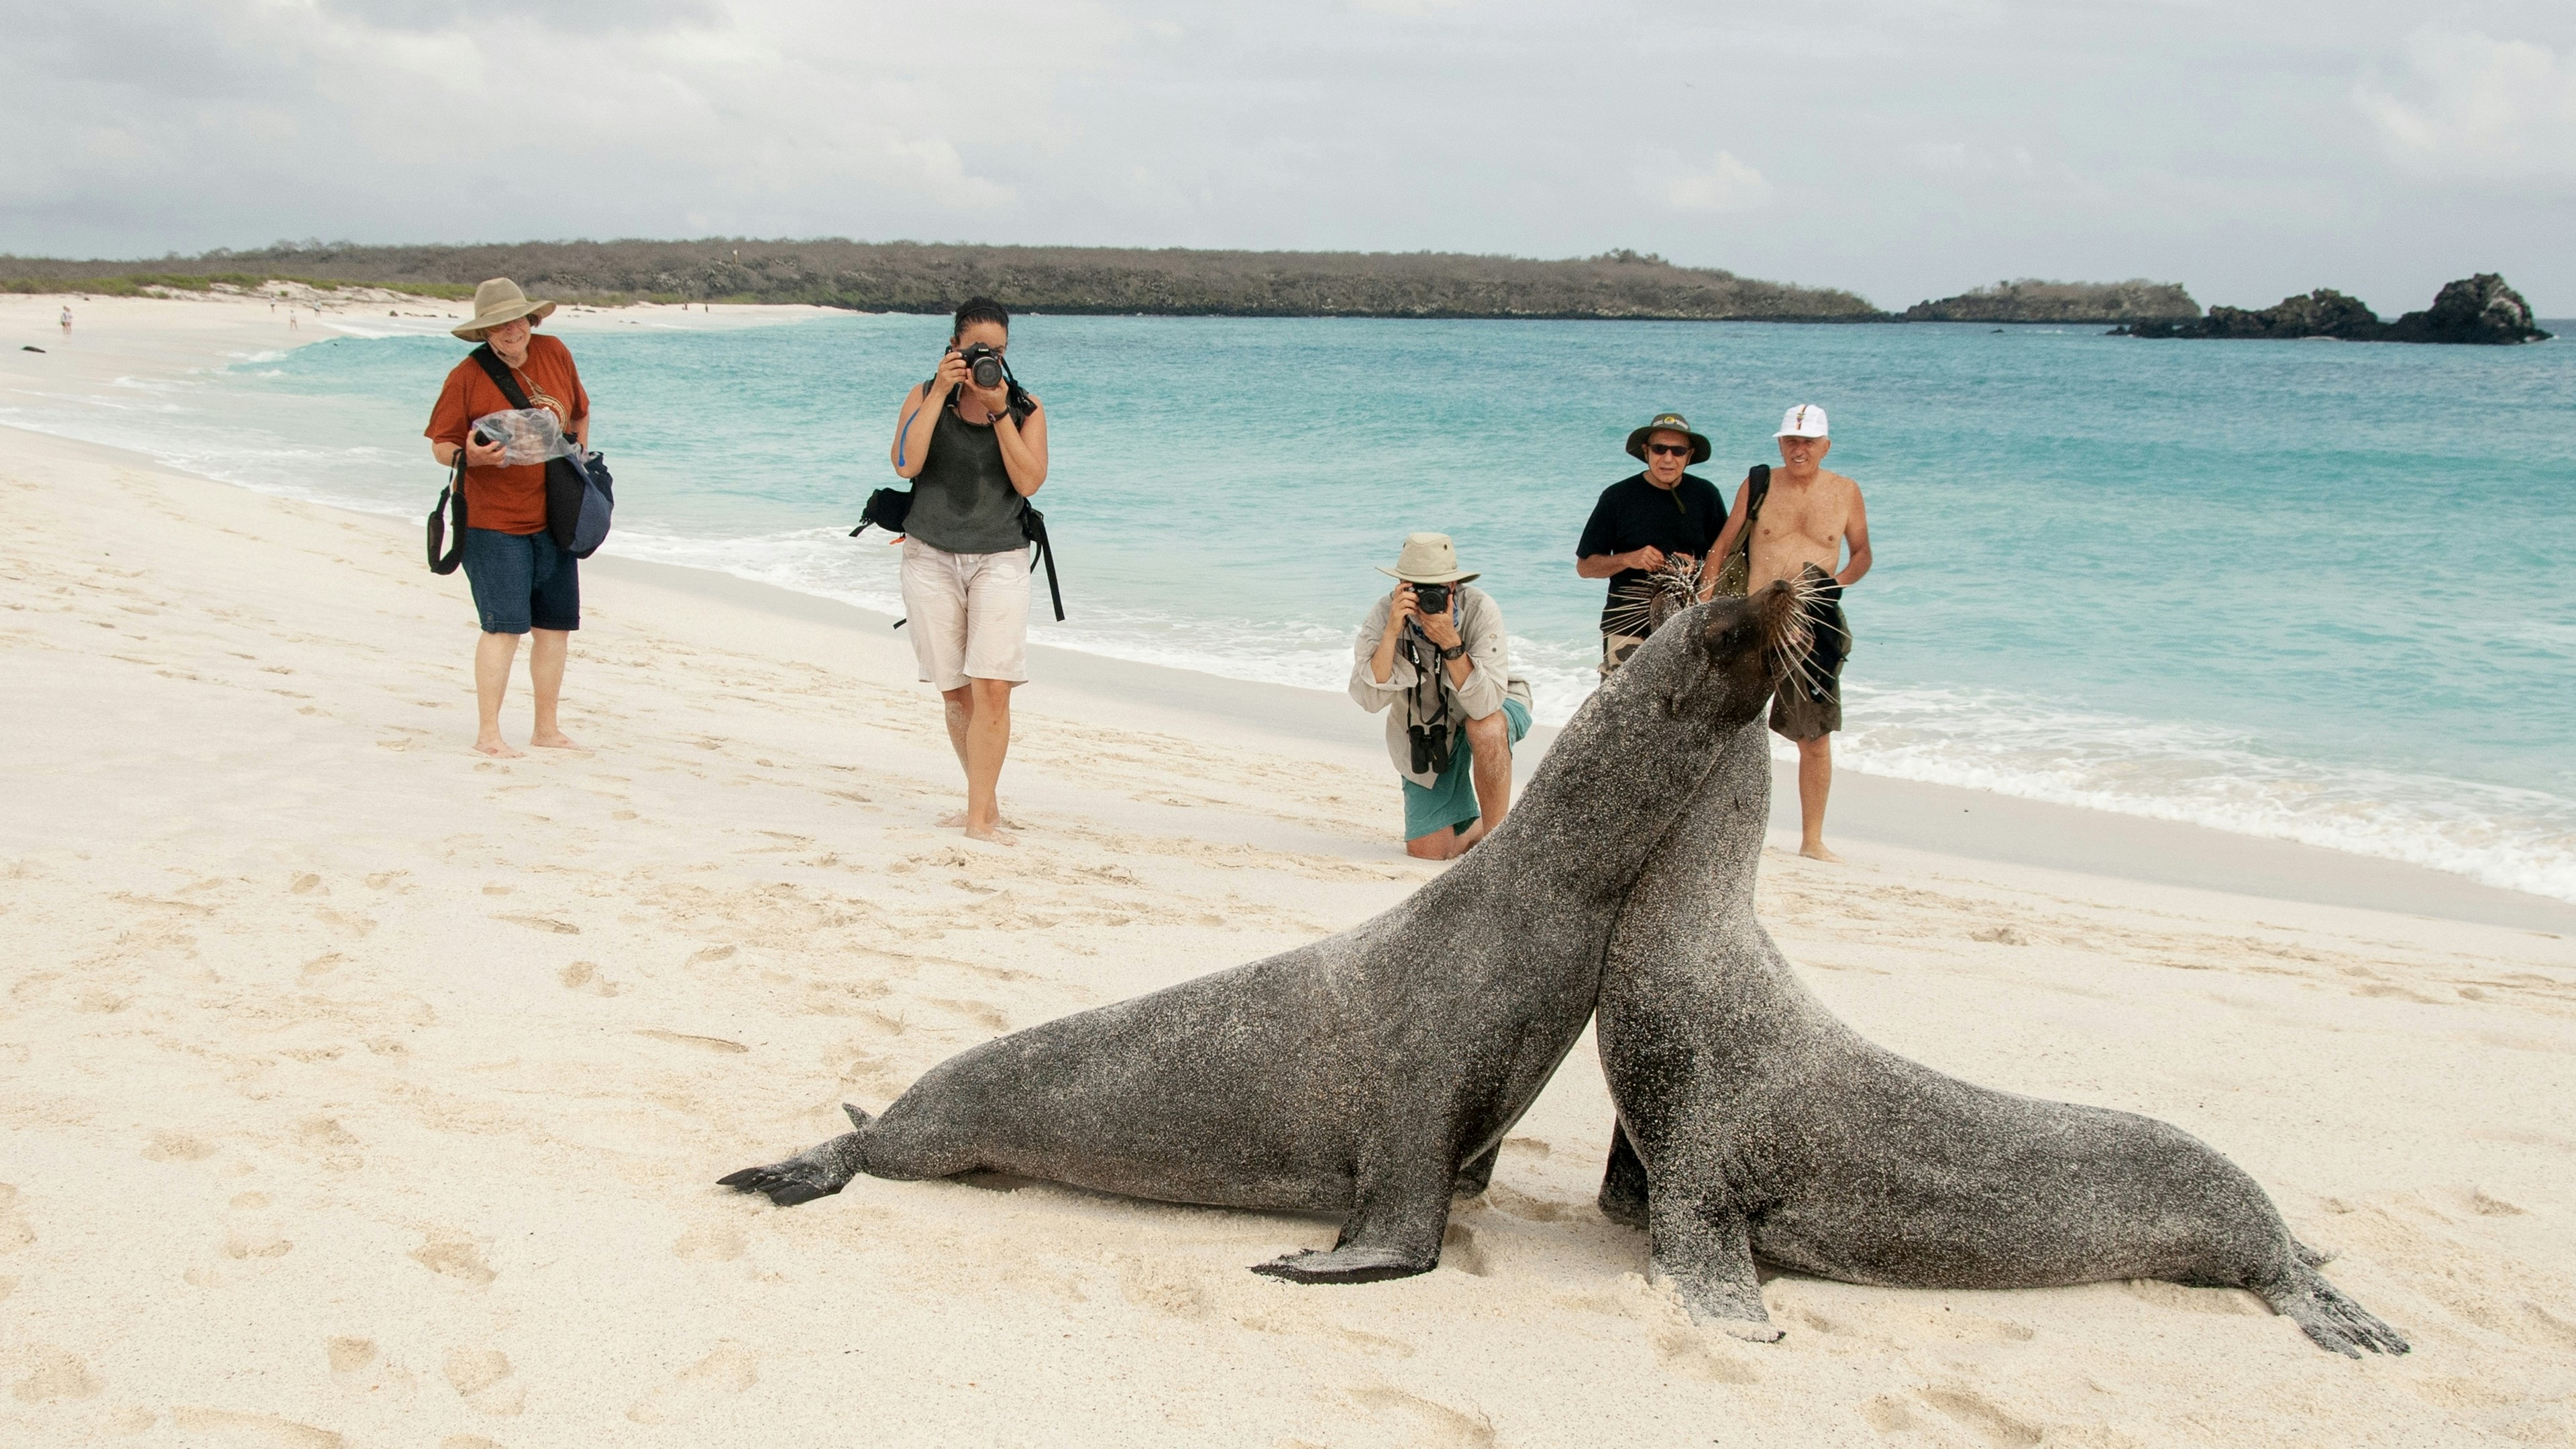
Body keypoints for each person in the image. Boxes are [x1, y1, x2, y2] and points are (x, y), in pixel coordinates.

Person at [888, 297, 1051, 845]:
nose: (989, 360)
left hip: (1000, 557)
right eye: (978, 349)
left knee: (994, 689)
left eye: (999, 351)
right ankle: (986, 805)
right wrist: (939, 392)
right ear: (953, 347)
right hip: (930, 555)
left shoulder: (1026, 409)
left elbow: (1029, 482)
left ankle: (978, 820)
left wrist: (1001, 410)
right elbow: (907, 463)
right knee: (956, 692)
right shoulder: (923, 395)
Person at [423, 278, 592, 759]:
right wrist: (473, 459)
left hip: (554, 517)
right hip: (491, 520)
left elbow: (579, 411)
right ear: (485, 333)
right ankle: (489, 735)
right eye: (497, 325)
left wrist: (579, 458)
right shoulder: (466, 377)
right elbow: (442, 445)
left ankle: (546, 729)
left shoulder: (555, 351)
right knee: (503, 627)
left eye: (516, 319)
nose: (510, 330)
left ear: (531, 319)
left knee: (554, 627)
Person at [1705, 403, 1872, 861]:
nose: (1799, 450)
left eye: (1808, 442)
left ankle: (1812, 840)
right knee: (1725, 726)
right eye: (1791, 441)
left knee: (1815, 738)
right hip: (1754, 617)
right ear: (1781, 444)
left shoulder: (1845, 492)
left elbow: (1861, 555)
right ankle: (1714, 831)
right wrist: (1703, 611)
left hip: (1812, 622)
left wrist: (1834, 587)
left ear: (1825, 446)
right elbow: (1721, 547)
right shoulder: (1759, 483)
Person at [1350, 533, 1535, 861]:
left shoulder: (1480, 609)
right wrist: (1392, 631)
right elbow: (1369, 699)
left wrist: (1450, 642)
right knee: (1429, 853)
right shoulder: (1386, 613)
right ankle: (1473, 825)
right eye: (1416, 588)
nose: (1426, 597)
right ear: (1402, 585)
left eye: (1434, 587)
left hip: (1492, 702)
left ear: (1452, 586)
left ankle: (1498, 849)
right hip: (1425, 725)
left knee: (1487, 728)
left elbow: (1484, 705)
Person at [1575, 411, 1728, 674]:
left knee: (1685, 707)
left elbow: (1727, 559)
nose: (1668, 459)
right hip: (1627, 624)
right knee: (1620, 707)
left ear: (1689, 455)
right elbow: (1585, 567)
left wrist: (1697, 566)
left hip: (1690, 620)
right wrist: (1628, 559)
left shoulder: (1706, 496)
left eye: (1677, 451)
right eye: (1660, 449)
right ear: (1646, 451)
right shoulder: (1617, 497)